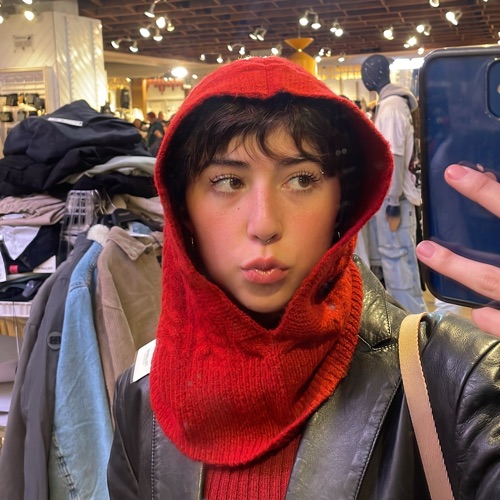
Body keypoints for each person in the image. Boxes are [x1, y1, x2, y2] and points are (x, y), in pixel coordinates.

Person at [107, 57, 500, 499]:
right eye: (228, 181)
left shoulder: (454, 377)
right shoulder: (142, 395)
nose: (264, 224)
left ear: (342, 202)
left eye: (300, 179)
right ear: (183, 209)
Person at [360, 54, 427, 313]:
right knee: (397, 265)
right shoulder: (393, 104)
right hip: (395, 198)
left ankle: (413, 328)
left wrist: (392, 202)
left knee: (399, 268)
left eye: (367, 71)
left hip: (395, 201)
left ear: (377, 74)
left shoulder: (391, 108)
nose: (364, 77)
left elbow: (394, 156)